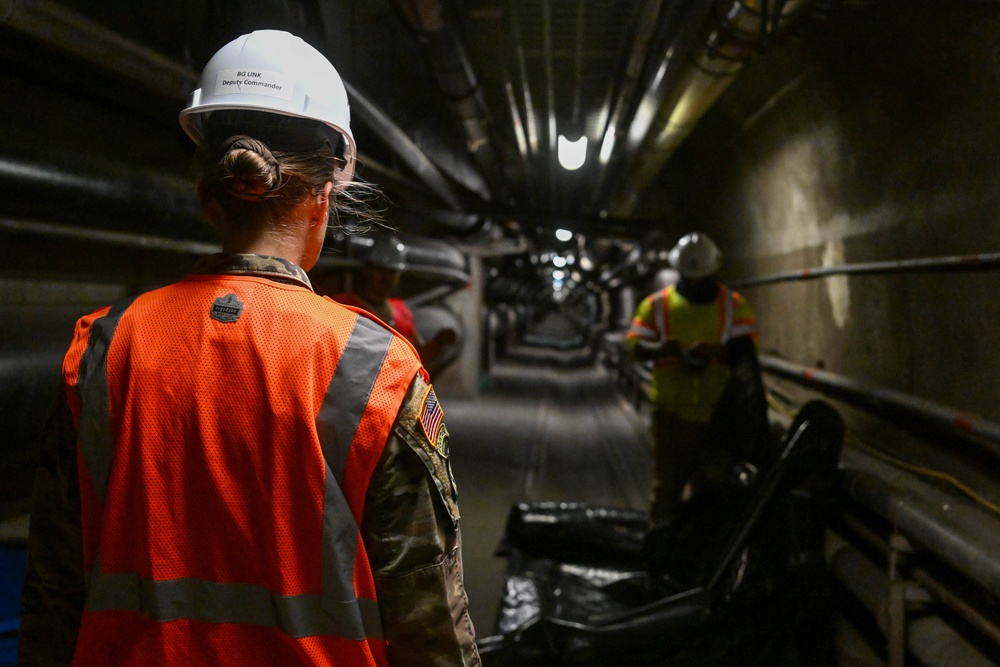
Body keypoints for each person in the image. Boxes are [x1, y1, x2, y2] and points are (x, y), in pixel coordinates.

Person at [19, 29, 480, 666]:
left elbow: (51, 592)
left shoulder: (103, 350)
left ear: (207, 193)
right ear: (324, 196)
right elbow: (430, 622)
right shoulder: (374, 369)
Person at [625, 232, 761, 529]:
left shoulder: (734, 305)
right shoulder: (657, 305)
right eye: (689, 276)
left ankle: (696, 557)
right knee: (667, 491)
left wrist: (717, 351)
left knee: (709, 493)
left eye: (701, 276)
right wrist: (660, 348)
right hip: (673, 417)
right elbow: (634, 346)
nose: (695, 282)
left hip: (719, 419)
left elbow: (747, 352)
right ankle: (661, 549)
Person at [334, 233, 457, 371]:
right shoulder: (344, 307)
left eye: (391, 271)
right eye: (379, 269)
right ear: (367, 270)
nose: (385, 277)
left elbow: (418, 360)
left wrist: (438, 342)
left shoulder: (402, 312)